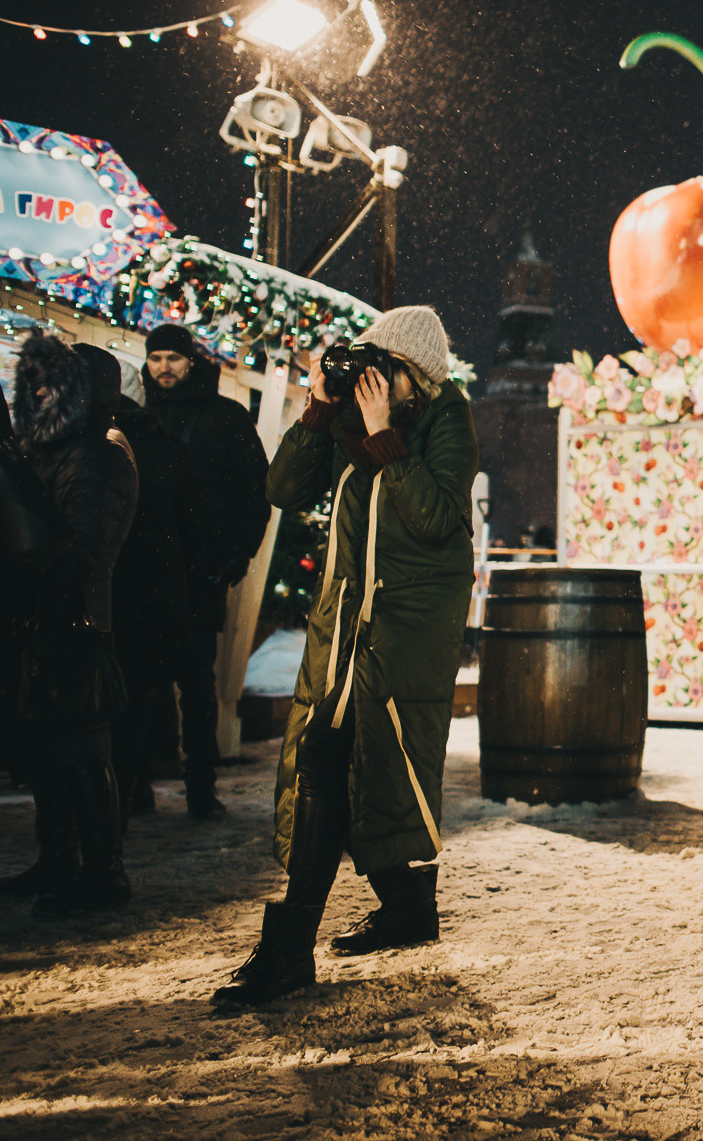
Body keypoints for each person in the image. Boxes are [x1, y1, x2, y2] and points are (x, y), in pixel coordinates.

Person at [214, 307, 477, 1006]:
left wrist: (390, 434)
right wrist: (317, 412)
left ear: (410, 372)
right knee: (337, 762)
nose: (366, 378)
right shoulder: (351, 423)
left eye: (378, 366)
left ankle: (289, 949)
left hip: (407, 625)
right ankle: (406, 906)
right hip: (348, 626)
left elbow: (435, 518)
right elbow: (282, 490)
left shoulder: (445, 416)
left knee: (344, 760)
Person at [0, 336, 137, 916]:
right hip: (49, 616)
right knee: (50, 747)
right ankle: (58, 858)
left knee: (80, 748)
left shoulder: (96, 453)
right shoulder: (61, 446)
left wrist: (31, 567)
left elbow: (84, 543)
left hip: (75, 619)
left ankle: (103, 872)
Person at [140, 323, 271, 818]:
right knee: (143, 680)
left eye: (173, 357)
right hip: (146, 573)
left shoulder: (224, 417)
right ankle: (139, 782)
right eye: (156, 359)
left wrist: (235, 555)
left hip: (200, 571)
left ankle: (200, 785)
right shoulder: (139, 415)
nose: (164, 367)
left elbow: (256, 491)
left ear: (190, 361)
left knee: (196, 683)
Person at [109, 366, 194, 818]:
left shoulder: (112, 448)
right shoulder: (162, 447)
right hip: (155, 590)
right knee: (143, 690)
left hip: (125, 590)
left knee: (129, 694)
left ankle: (123, 795)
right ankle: (134, 785)